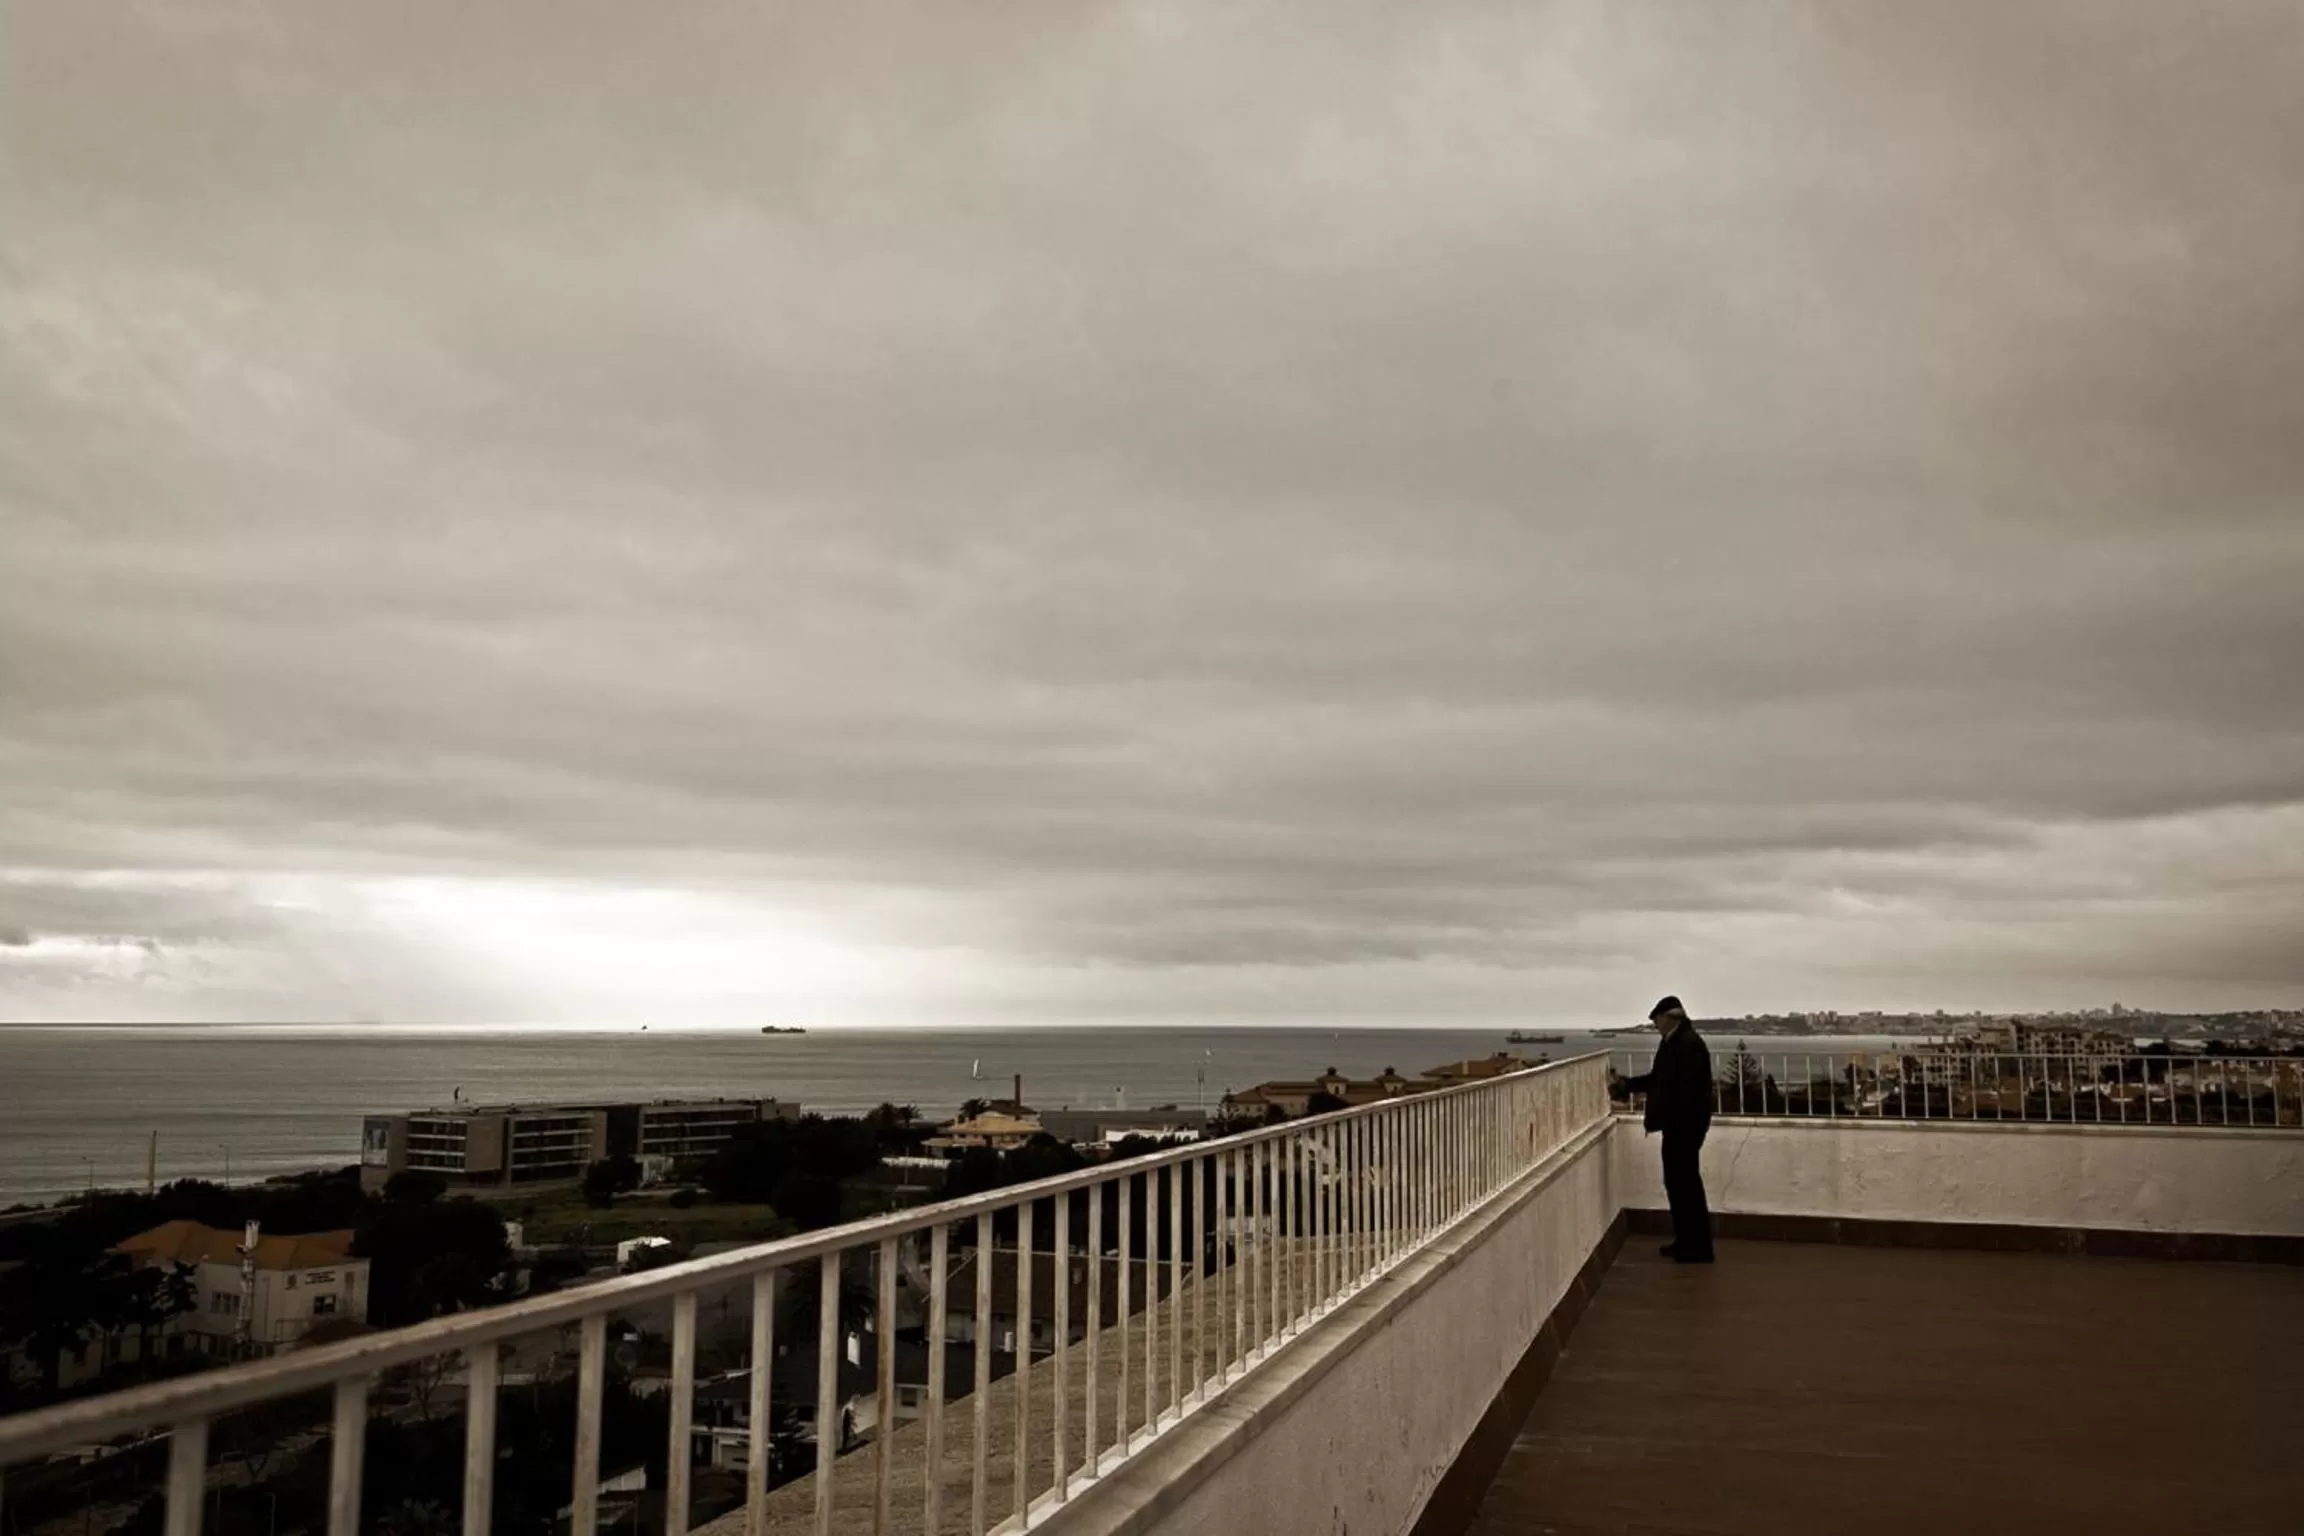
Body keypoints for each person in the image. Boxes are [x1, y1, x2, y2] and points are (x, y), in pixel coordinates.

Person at [1619, 995, 1715, 1263]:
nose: (1655, 1025)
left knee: (1685, 1185)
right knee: (1678, 1183)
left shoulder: (1687, 1045)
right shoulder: (1674, 1043)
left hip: (1684, 1126)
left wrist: (1674, 1118)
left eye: (1657, 1020)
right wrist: (1627, 1085)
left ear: (1670, 1018)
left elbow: (1686, 1089)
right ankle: (1685, 1241)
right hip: (1679, 1126)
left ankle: (1698, 1247)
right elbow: (1658, 1079)